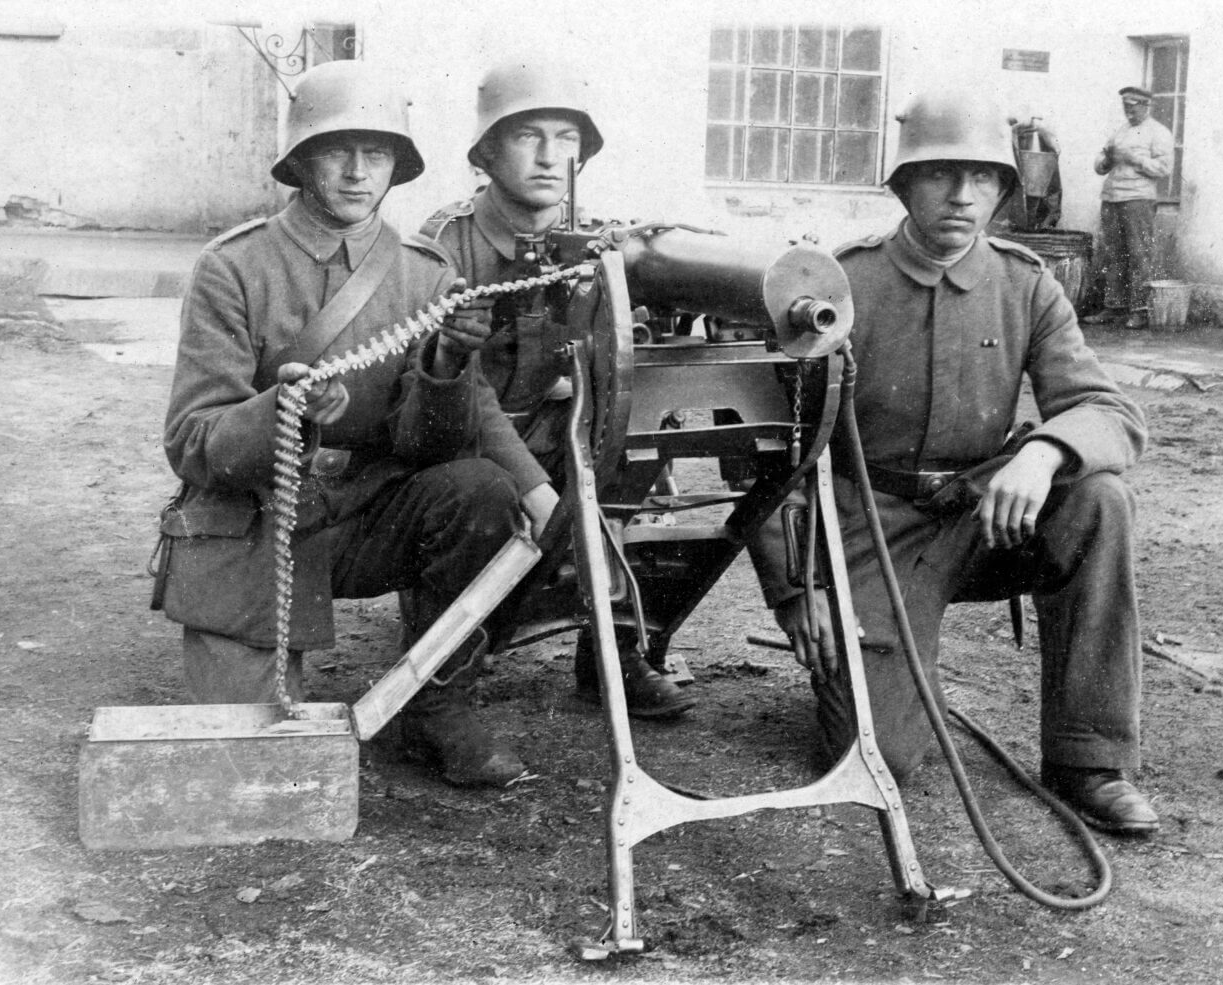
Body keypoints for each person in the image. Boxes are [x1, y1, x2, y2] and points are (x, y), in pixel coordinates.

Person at [750, 91, 1159, 836]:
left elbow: (1111, 412)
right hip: (872, 526)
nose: (963, 196)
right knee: (883, 758)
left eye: (983, 178)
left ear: (1004, 189)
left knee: (1099, 500)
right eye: (940, 175)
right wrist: (792, 585)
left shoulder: (1027, 284)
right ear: (904, 186)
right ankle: (871, 665)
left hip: (986, 517)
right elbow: (774, 447)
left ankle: (1088, 758)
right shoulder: (842, 286)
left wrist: (1044, 451)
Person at [159, 60, 558, 788]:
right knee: (248, 769)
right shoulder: (233, 268)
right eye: (336, 150)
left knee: (478, 492)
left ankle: (435, 705)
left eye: (376, 154)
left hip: (365, 515)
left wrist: (443, 367)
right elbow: (192, 441)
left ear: (397, 166)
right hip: (257, 519)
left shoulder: (423, 275)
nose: (355, 172)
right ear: (301, 160)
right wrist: (281, 412)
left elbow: (430, 449)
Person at [420, 62, 696, 720]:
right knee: (483, 506)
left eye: (566, 138)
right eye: (527, 136)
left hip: (547, 431)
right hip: (456, 441)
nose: (549, 157)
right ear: (486, 150)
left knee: (642, 450)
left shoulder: (591, 241)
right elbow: (459, 394)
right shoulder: (443, 245)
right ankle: (451, 674)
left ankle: (615, 650)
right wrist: (539, 490)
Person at [1084, 86, 1173, 329]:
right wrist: (1109, 159)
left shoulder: (1159, 133)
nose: (1129, 113)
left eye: (1133, 108)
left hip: (1139, 200)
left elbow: (1164, 169)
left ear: (1146, 106)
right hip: (1112, 198)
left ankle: (1139, 310)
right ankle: (1114, 307)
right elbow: (1099, 166)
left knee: (1139, 254)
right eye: (1126, 108)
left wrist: (1136, 159)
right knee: (1113, 254)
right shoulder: (1119, 132)